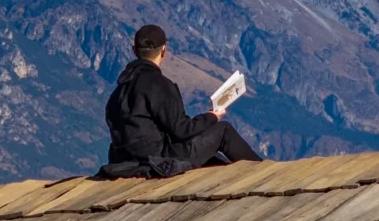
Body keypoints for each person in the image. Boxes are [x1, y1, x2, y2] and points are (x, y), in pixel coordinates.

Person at [103, 24, 262, 174]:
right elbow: (181, 130)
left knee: (212, 158)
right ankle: (265, 173)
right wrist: (211, 117)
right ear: (163, 51)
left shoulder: (118, 91)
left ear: (134, 51)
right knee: (223, 131)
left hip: (126, 163)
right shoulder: (160, 85)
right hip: (158, 161)